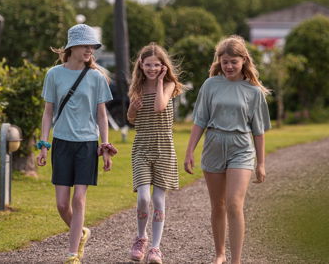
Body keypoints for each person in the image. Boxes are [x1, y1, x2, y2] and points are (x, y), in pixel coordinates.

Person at [184, 35, 271, 264]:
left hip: (241, 147)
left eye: (234, 61)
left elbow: (259, 131)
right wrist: (189, 151)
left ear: (243, 60)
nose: (229, 66)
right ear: (219, 62)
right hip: (213, 145)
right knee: (218, 205)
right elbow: (200, 120)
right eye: (225, 62)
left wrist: (261, 163)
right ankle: (220, 254)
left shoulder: (253, 92)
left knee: (234, 203)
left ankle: (236, 260)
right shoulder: (210, 85)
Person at [36, 24, 118, 264]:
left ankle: (72, 255)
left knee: (79, 199)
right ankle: (80, 232)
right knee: (62, 204)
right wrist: (44, 144)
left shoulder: (96, 77)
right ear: (72, 47)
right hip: (61, 143)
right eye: (86, 45)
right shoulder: (54, 75)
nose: (90, 50)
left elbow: (102, 115)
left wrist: (105, 146)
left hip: (86, 144)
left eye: (92, 46)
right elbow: (48, 112)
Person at [126, 43, 184, 264]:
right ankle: (141, 238)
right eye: (148, 65)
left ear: (163, 66)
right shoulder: (137, 87)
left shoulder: (168, 84)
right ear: (141, 65)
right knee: (143, 197)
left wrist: (159, 81)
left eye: (156, 65)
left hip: (164, 148)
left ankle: (155, 248)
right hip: (142, 146)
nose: (152, 68)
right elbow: (130, 118)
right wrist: (133, 107)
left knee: (158, 200)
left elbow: (160, 106)